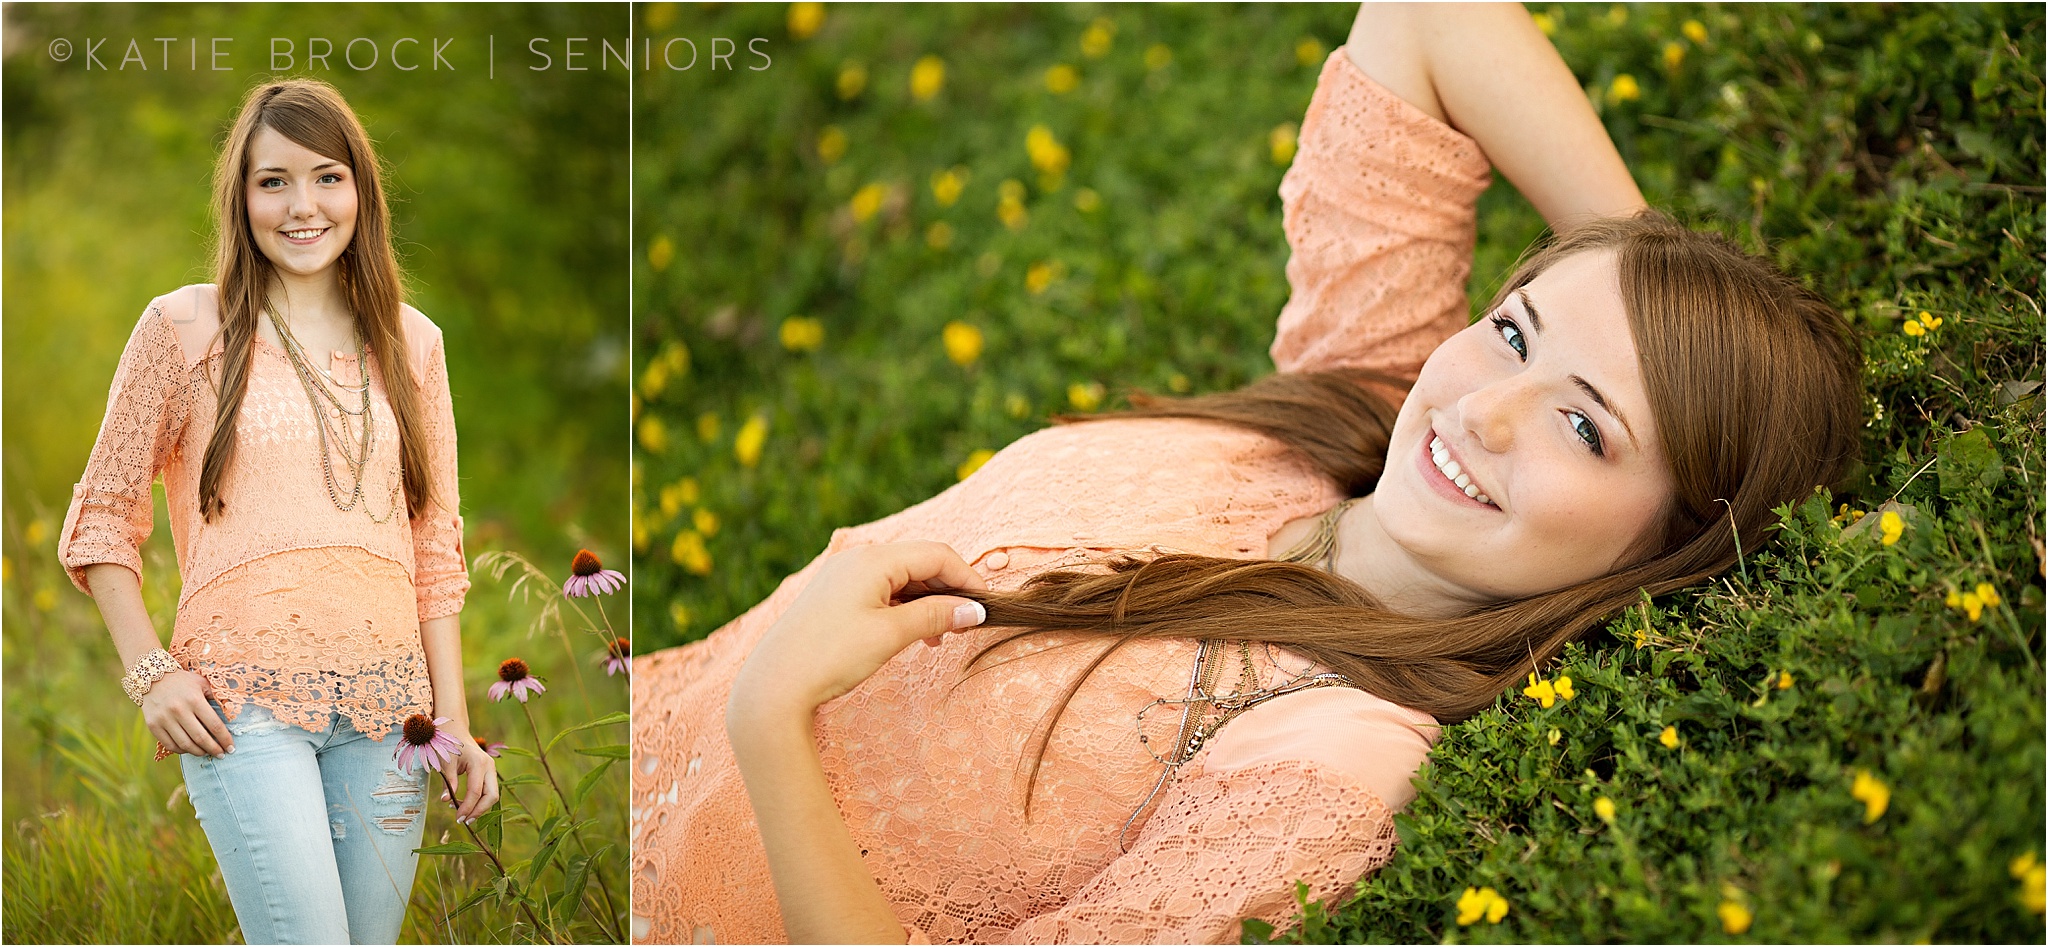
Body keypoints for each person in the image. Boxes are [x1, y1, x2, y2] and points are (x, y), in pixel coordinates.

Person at [629, 5, 1863, 943]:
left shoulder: (1333, 758)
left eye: (1586, 429)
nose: (1488, 411)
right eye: (1513, 330)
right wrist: (1654, 278)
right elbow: (1431, 18)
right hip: (584, 739)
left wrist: (774, 722)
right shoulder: (1350, 421)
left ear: (1672, 541)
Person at [57, 79, 499, 944]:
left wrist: (453, 725)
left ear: (360, 191)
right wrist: (152, 674)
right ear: (242, 195)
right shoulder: (184, 326)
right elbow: (103, 518)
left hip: (388, 717)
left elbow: (434, 552)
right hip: (242, 709)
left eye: (327, 177)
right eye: (274, 181)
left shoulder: (416, 342)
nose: (304, 206)